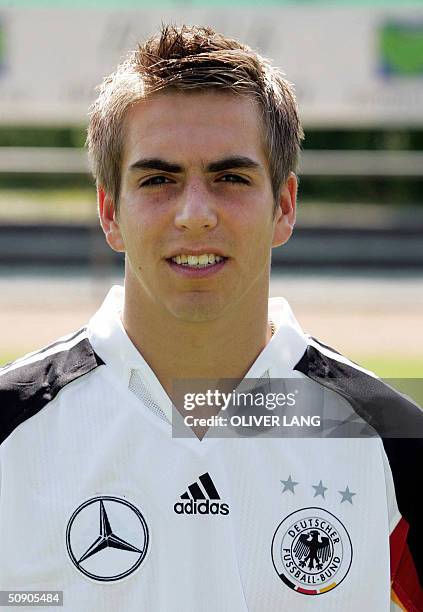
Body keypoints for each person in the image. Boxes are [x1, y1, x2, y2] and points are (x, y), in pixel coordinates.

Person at [0, 24, 422, 611]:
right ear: (109, 211)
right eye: (158, 179)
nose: (195, 214)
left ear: (284, 206)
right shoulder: (9, 433)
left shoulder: (389, 439)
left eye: (230, 177)